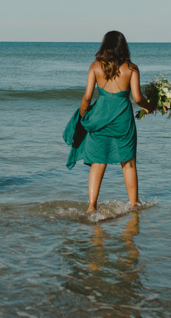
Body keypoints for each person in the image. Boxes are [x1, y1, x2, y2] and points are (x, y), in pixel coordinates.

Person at [64, 31, 156, 212]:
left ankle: (91, 207)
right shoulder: (131, 68)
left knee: (98, 162)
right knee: (128, 163)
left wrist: (82, 116)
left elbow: (87, 97)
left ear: (105, 45)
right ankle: (134, 204)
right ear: (123, 46)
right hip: (123, 118)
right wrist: (150, 107)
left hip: (100, 117)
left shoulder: (95, 67)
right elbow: (137, 98)